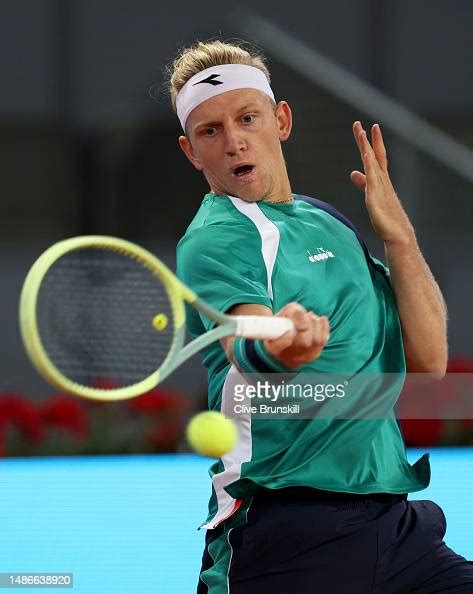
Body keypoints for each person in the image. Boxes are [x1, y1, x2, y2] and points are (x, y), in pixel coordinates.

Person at [167, 39, 473, 593]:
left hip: (396, 527)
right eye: (211, 131)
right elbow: (248, 342)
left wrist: (398, 237)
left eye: (247, 118)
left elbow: (428, 359)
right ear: (192, 152)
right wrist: (282, 345)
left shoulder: (327, 222)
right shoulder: (213, 239)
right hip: (286, 533)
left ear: (280, 120)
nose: (234, 140)